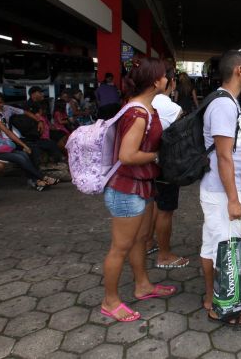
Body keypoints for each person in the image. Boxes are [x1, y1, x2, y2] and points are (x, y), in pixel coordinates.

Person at [100, 57, 176, 323]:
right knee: (120, 247)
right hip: (126, 190)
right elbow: (128, 155)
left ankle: (142, 285)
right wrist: (157, 156)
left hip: (141, 187)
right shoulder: (138, 112)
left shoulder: (144, 107)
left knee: (141, 239)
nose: (168, 79)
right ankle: (110, 301)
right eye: (164, 76)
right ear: (155, 81)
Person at [200, 50, 241, 325]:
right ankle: (223, 305)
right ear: (238, 71)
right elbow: (224, 156)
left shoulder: (227, 101)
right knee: (227, 247)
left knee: (214, 244)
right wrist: (234, 199)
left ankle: (213, 298)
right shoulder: (224, 105)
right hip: (223, 192)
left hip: (219, 190)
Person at [147, 68, 189, 270]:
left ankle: (148, 242)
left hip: (147, 164)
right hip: (165, 164)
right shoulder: (172, 107)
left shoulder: (144, 102)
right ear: (171, 83)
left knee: (155, 203)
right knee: (166, 210)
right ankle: (164, 255)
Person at [0, 92, 57, 191]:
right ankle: (42, 178)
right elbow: (8, 132)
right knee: (19, 156)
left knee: (23, 154)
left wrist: (39, 121)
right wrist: (23, 145)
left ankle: (36, 180)